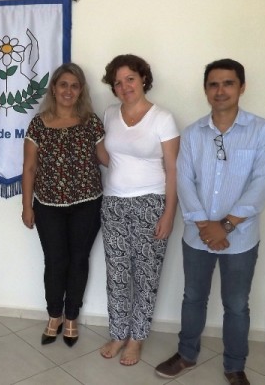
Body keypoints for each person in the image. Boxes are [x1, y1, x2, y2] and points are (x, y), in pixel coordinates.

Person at [155, 59, 265, 385]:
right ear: (206, 89)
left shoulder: (262, 130)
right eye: (213, 84)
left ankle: (234, 366)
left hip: (241, 238)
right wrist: (203, 226)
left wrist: (223, 226)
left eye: (228, 83)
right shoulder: (194, 133)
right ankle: (186, 355)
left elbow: (262, 183)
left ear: (241, 87)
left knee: (236, 305)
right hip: (197, 237)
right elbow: (184, 179)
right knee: (193, 297)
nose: (220, 90)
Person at [99, 54, 180, 366]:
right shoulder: (109, 114)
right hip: (114, 203)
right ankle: (119, 333)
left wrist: (169, 214)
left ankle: (137, 337)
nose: (124, 86)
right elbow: (107, 155)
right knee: (117, 273)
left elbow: (172, 170)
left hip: (152, 203)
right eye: (118, 82)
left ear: (143, 79)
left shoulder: (163, 118)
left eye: (130, 79)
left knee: (146, 275)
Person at [22, 62, 106, 347]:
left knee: (78, 260)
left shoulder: (91, 122)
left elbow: (107, 158)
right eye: (63, 85)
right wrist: (26, 206)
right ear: (54, 89)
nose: (68, 90)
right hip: (47, 205)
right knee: (55, 262)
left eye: (74, 85)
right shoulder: (39, 123)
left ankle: (72, 317)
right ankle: (54, 315)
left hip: (87, 203)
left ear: (80, 90)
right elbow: (29, 168)